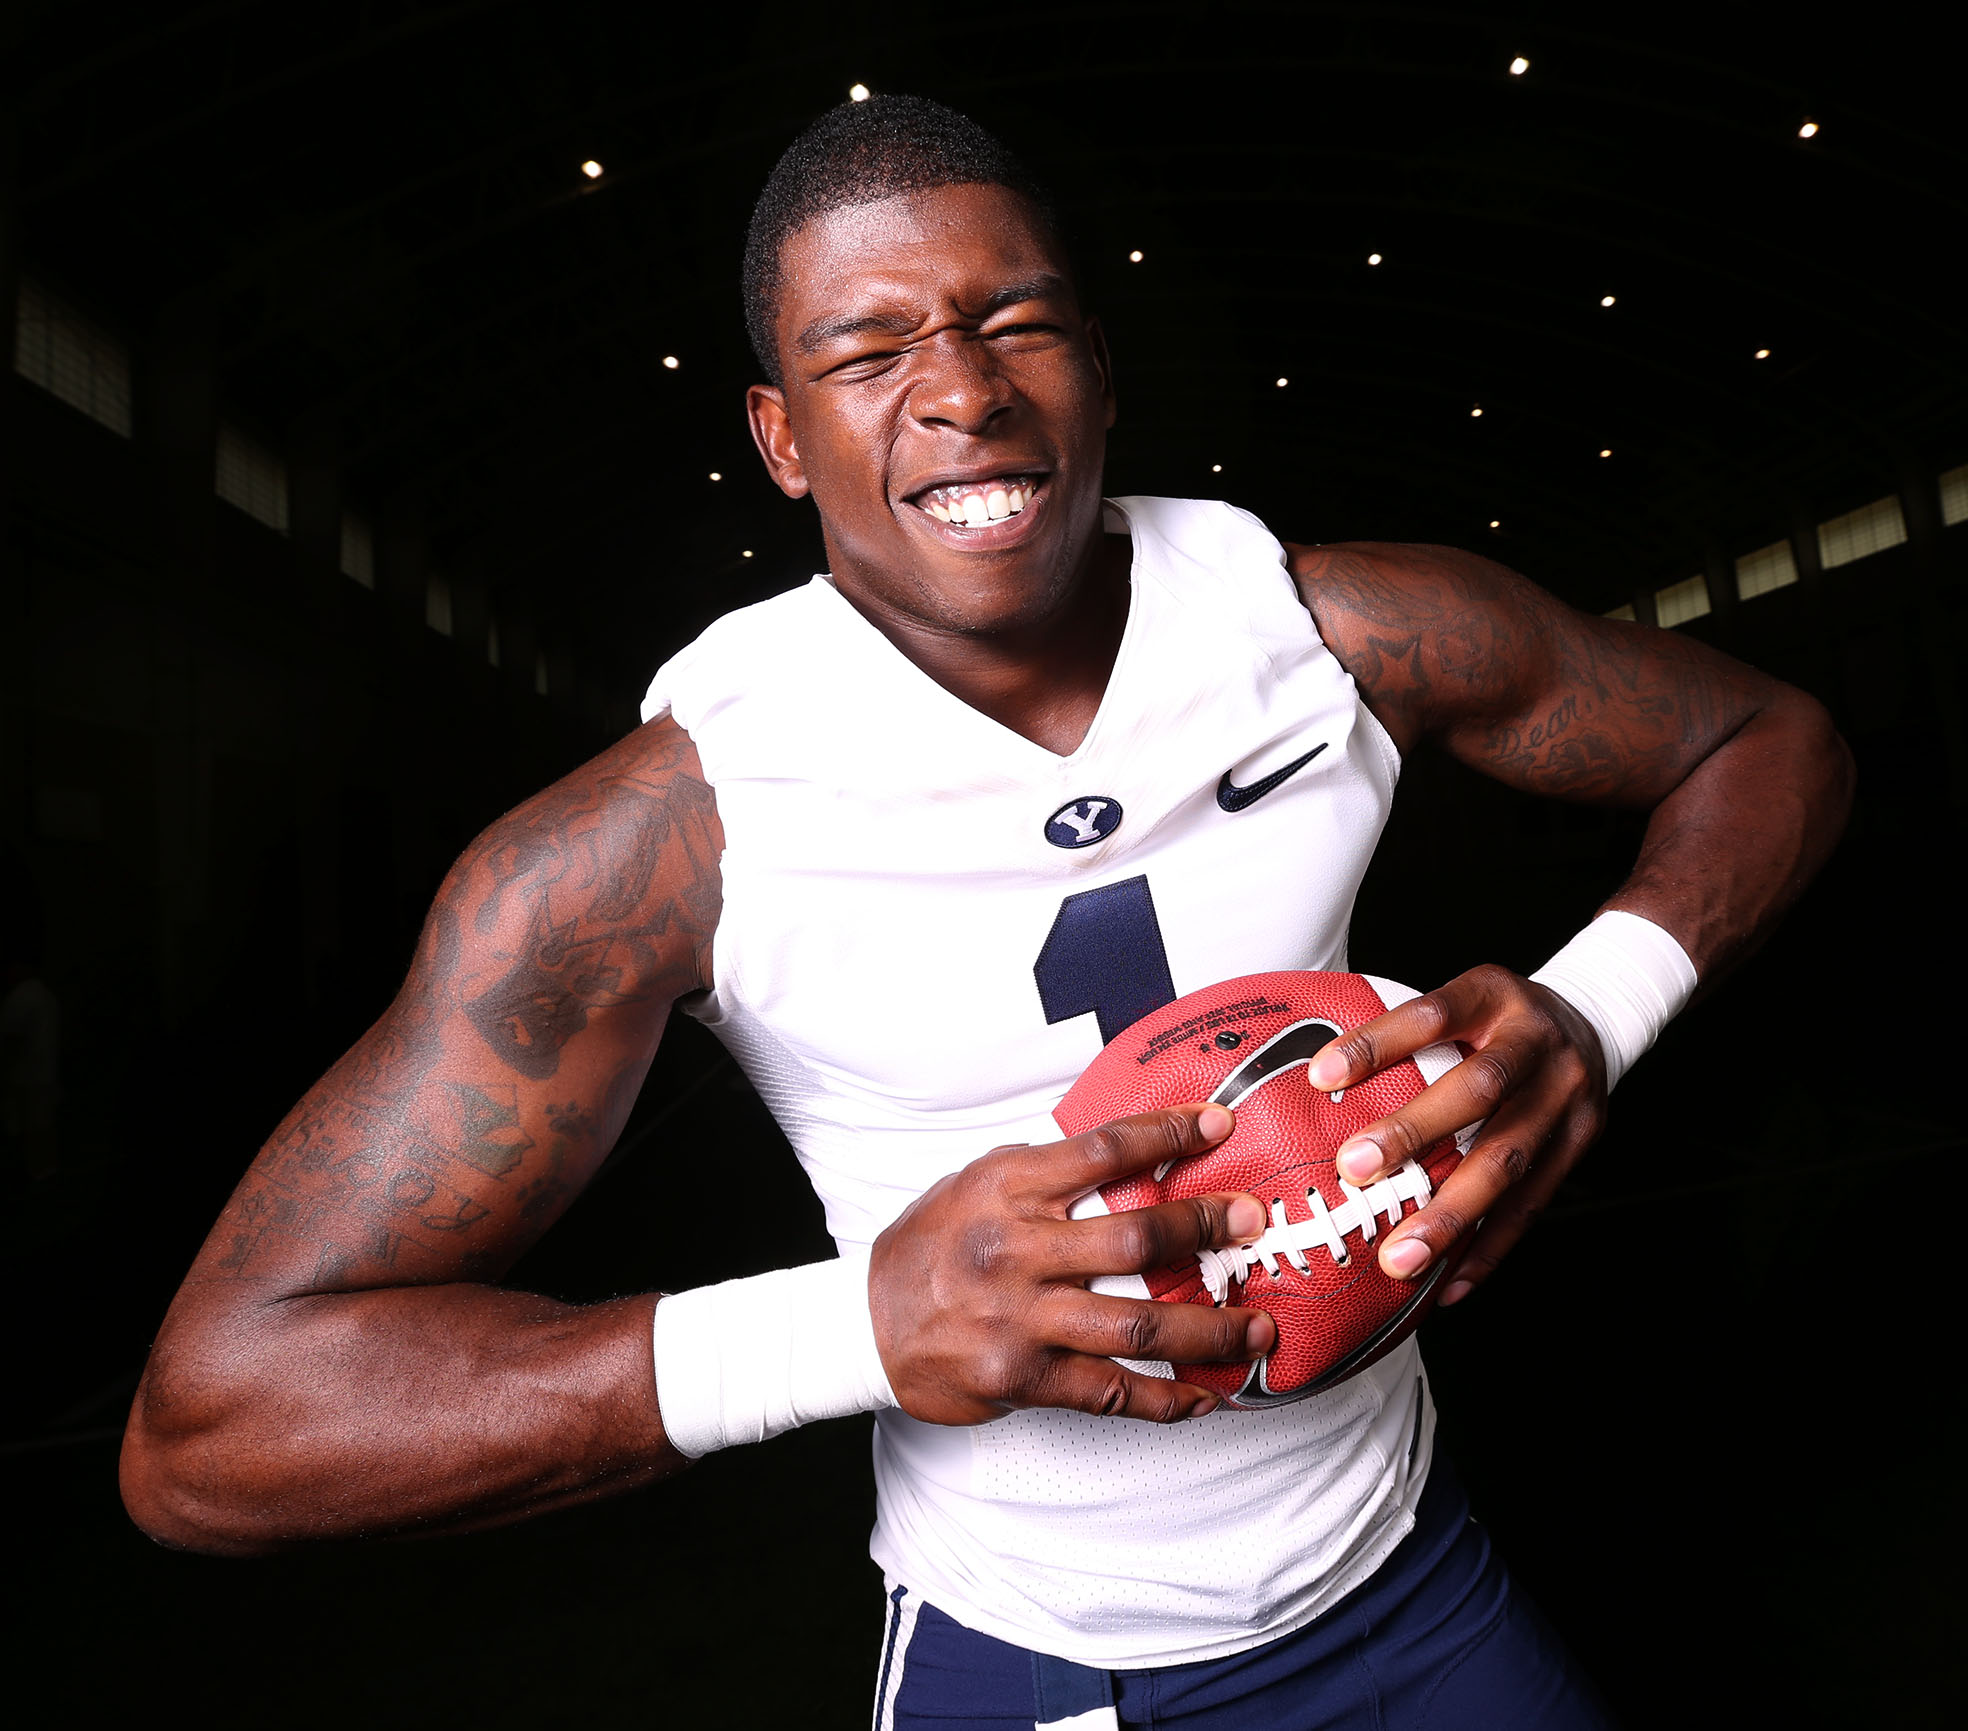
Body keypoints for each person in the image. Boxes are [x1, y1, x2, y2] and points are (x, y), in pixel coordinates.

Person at [121, 96, 1852, 1729]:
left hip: (1415, 1584)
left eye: (1015, 323)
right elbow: (212, 1434)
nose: (959, 391)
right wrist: (848, 1324)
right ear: (781, 439)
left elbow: (1773, 739)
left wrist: (1593, 1012)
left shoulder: (1337, 637)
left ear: (1094, 369)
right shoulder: (656, 841)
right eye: (867, 352)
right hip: (1041, 1659)